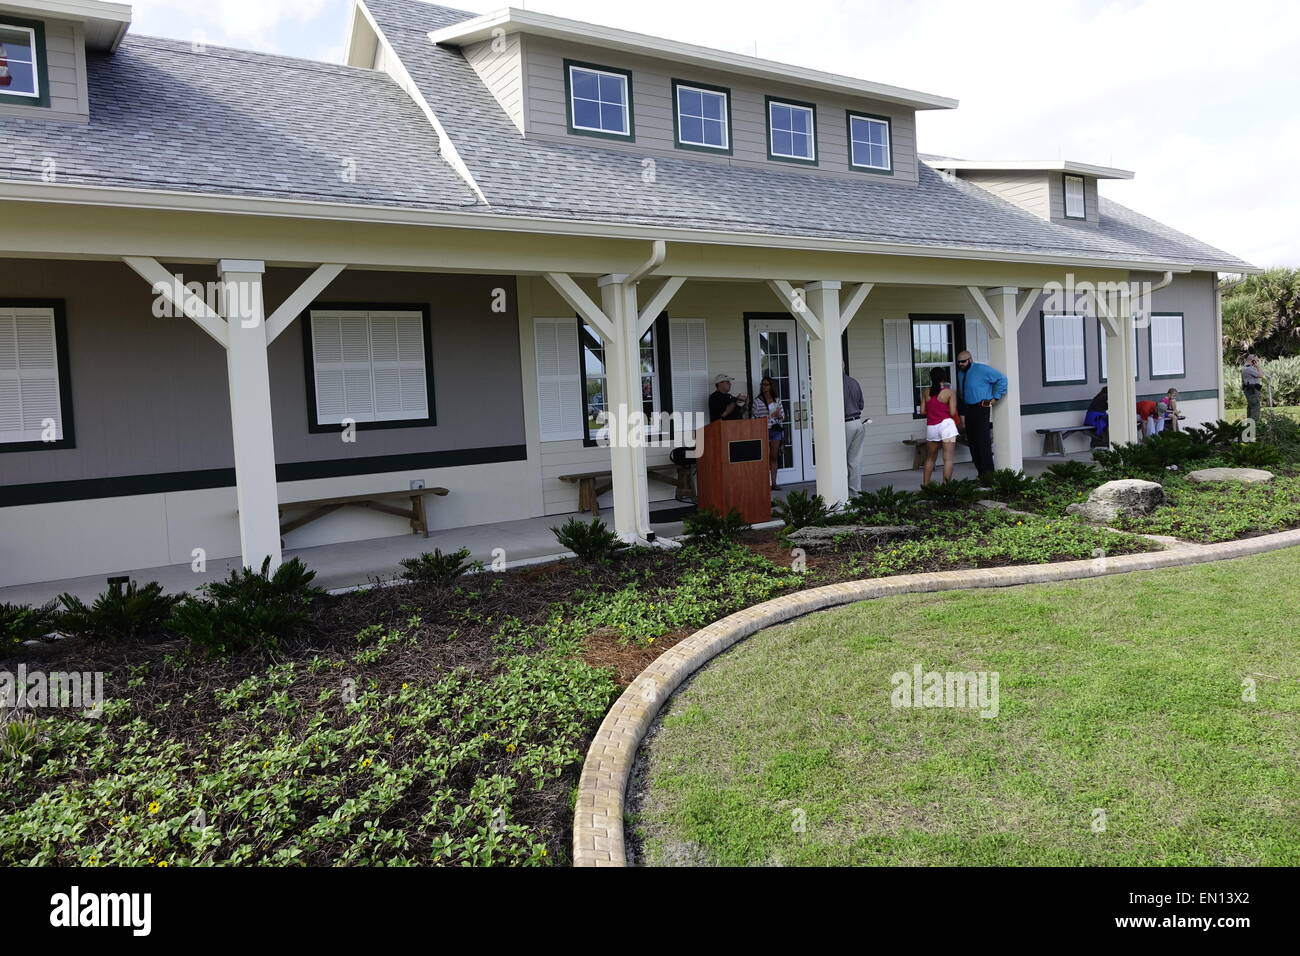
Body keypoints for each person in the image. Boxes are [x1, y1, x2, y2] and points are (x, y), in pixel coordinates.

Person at [955, 351, 1007, 478]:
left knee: (982, 440)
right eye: (959, 362)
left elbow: (1002, 379)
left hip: (981, 407)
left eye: (963, 361)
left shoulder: (982, 369)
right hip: (969, 409)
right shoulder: (961, 373)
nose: (961, 364)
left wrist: (996, 397)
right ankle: (981, 473)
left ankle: (989, 474)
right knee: (972, 441)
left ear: (970, 359)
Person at [922, 367, 960, 485]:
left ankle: (925, 486)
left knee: (930, 458)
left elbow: (923, 411)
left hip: (932, 427)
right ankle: (946, 488)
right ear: (944, 378)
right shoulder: (949, 392)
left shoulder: (925, 392)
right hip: (947, 426)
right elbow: (953, 412)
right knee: (947, 459)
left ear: (931, 378)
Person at [752, 376, 786, 491]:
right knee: (764, 457)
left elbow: (783, 417)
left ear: (771, 386)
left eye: (766, 384)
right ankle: (765, 482)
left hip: (775, 430)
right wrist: (768, 417)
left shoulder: (777, 400)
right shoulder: (757, 401)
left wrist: (778, 416)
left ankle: (774, 483)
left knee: (774, 456)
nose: (764, 387)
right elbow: (754, 418)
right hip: (763, 431)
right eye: (763, 384)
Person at [844, 364, 867, 493]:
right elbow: (861, 405)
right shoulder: (854, 382)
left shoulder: (835, 383)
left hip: (845, 423)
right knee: (855, 460)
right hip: (857, 422)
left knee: (841, 459)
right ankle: (855, 493)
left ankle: (842, 492)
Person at [1242, 355, 1265, 423]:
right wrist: (1257, 366)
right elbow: (1261, 375)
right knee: (1255, 408)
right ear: (1252, 360)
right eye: (1256, 360)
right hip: (1252, 390)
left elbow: (1261, 374)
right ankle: (1254, 426)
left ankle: (1250, 426)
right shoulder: (1248, 369)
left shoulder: (1248, 368)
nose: (1257, 362)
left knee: (1251, 408)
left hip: (1252, 390)